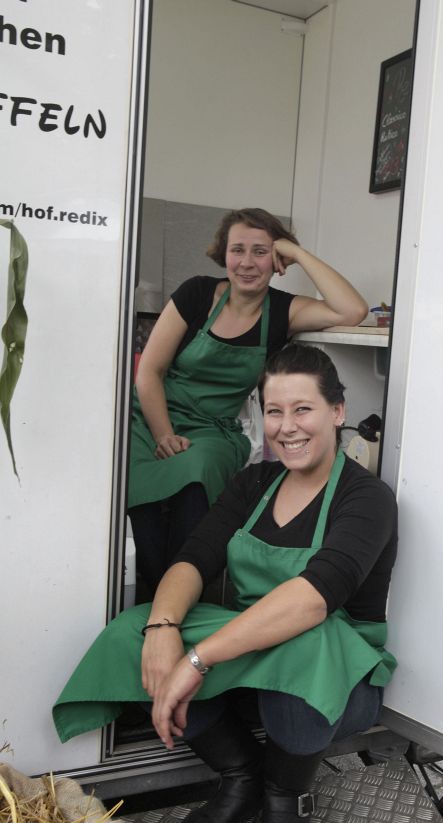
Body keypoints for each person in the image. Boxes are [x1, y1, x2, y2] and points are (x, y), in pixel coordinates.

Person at [53, 344, 398, 823]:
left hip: (336, 675)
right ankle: (242, 776)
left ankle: (288, 797)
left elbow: (312, 599)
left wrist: (196, 660)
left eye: (303, 409)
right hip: (251, 656)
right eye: (275, 411)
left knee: (304, 644)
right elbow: (192, 560)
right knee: (135, 630)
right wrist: (163, 629)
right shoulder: (253, 483)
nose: (287, 427)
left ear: (337, 411)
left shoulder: (367, 497)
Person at [128, 208, 368, 592]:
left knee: (200, 470)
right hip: (151, 419)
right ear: (223, 254)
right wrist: (163, 435)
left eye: (261, 251)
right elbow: (149, 373)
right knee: (140, 502)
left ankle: (185, 592)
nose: (247, 262)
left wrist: (298, 253)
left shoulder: (283, 311)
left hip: (214, 430)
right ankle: (157, 591)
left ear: (277, 259)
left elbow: (352, 310)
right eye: (237, 250)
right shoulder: (196, 293)